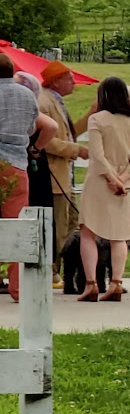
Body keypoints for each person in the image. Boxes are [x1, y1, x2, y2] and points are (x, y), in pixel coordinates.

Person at [77, 77, 130, 303]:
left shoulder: (97, 119)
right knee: (120, 234)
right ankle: (116, 282)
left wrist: (111, 178)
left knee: (88, 230)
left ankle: (91, 283)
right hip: (126, 183)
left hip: (99, 180)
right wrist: (122, 179)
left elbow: (97, 154)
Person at [32, 61, 84, 270]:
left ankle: (60, 268)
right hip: (53, 176)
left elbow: (69, 133)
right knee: (58, 227)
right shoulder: (44, 102)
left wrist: (90, 115)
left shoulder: (56, 101)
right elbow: (46, 141)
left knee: (72, 221)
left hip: (64, 176)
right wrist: (75, 150)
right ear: (55, 81)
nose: (74, 83)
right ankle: (52, 270)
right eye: (69, 79)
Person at [0, 57, 40, 302]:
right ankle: (17, 288)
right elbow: (32, 127)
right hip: (15, 162)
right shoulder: (26, 95)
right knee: (15, 225)